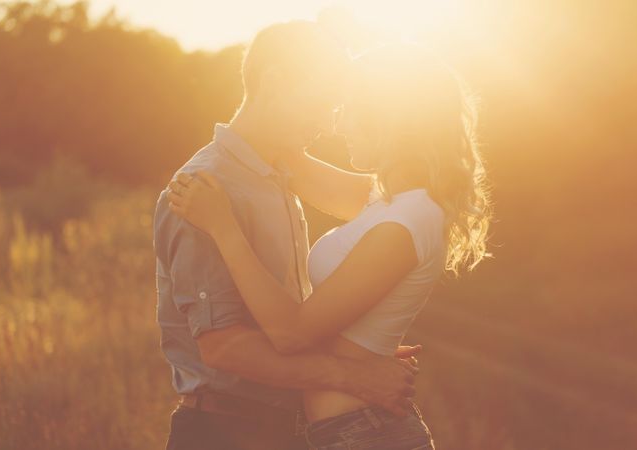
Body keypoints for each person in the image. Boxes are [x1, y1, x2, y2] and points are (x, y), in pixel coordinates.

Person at [167, 42, 492, 449]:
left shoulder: (407, 221)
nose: (336, 127)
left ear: (390, 118)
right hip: (343, 431)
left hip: (368, 434)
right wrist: (277, 94)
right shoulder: (390, 198)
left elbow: (291, 333)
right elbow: (290, 161)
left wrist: (223, 226)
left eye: (347, 110)